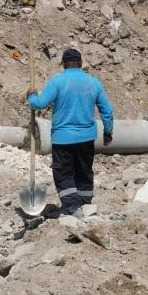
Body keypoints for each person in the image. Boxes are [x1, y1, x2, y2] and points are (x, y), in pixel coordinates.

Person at [27, 48, 114, 217]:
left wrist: (31, 97)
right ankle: (85, 205)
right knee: (84, 170)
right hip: (87, 138)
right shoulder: (93, 83)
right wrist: (108, 132)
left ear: (63, 64)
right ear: (81, 63)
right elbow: (107, 111)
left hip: (63, 139)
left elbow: (40, 104)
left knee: (63, 172)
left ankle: (73, 207)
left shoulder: (57, 81)